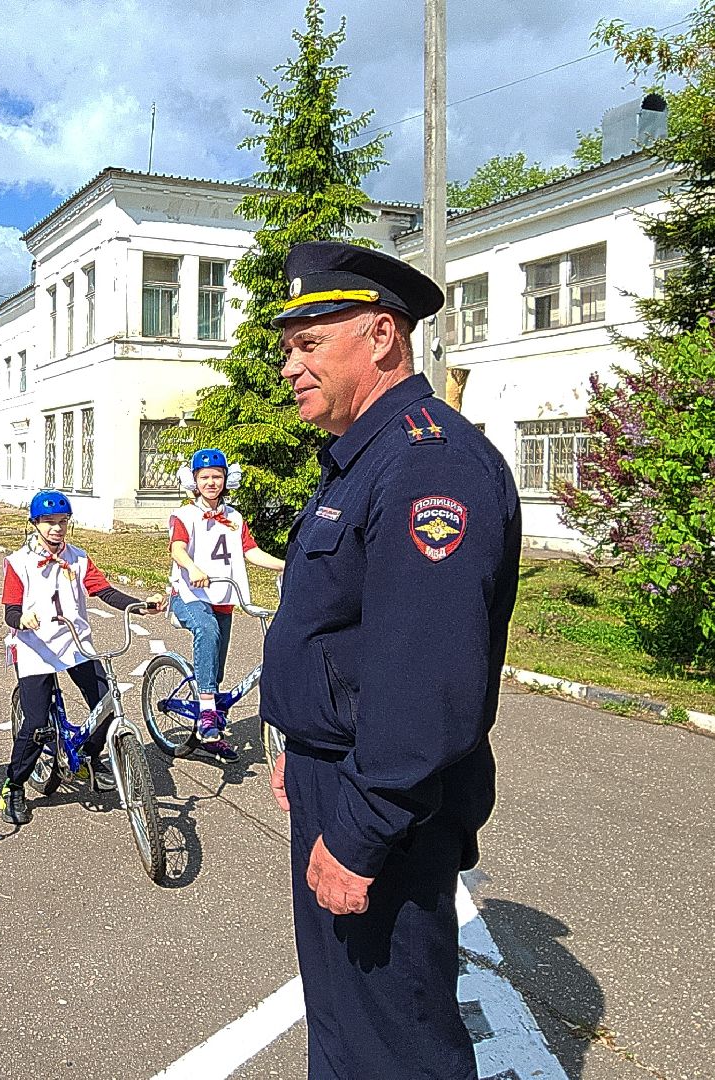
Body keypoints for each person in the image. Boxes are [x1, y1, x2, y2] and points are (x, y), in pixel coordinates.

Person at [260, 241, 522, 1079]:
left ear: (380, 336)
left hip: (384, 807)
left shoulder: (425, 464)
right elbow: (346, 633)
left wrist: (363, 829)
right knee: (343, 1021)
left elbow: (428, 684)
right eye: (286, 349)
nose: (290, 367)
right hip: (339, 773)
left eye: (308, 344)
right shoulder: (366, 458)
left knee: (394, 1043)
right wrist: (300, 746)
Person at [0, 489, 160, 825]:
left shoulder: (79, 558)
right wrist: (21, 619)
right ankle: (14, 785)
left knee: (106, 705)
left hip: (76, 644)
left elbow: (104, 590)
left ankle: (88, 756)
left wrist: (138, 605)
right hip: (36, 648)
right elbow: (10, 610)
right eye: (48, 523)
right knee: (38, 724)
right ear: (34, 524)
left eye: (62, 522)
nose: (56, 529)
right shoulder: (19, 563)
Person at [166, 448, 285, 761]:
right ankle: (207, 715)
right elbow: (177, 549)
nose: (210, 482)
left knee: (215, 668)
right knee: (206, 630)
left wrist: (287, 565)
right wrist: (191, 567)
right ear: (194, 481)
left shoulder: (234, 517)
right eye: (204, 477)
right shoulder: (185, 516)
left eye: (216, 477)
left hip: (223, 598)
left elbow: (251, 552)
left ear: (225, 480)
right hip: (189, 595)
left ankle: (211, 728)